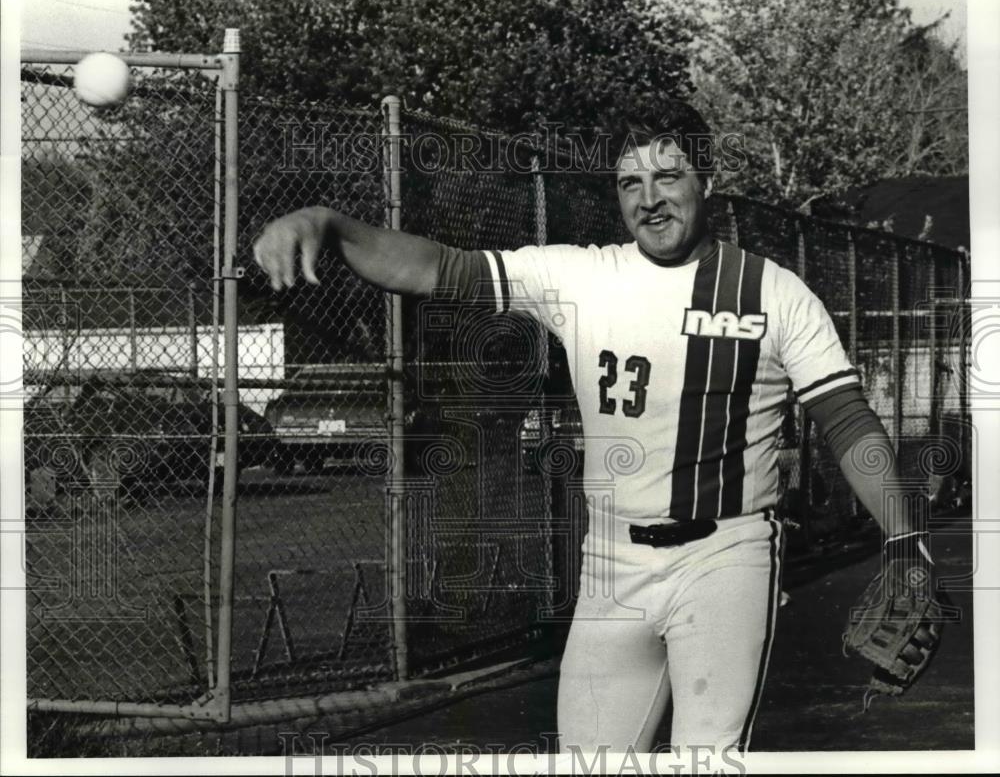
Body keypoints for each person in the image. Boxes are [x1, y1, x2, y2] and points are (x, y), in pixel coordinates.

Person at [252, 101, 929, 753]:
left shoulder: (773, 293)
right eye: (630, 182)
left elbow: (846, 422)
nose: (648, 198)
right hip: (610, 562)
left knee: (706, 757)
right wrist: (331, 224)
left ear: (708, 183)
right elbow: (437, 267)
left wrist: (903, 538)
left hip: (726, 557)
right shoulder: (583, 275)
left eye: (668, 176)